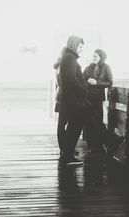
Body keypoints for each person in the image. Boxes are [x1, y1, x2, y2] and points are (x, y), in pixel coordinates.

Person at [59, 35, 124, 166]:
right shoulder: (70, 58)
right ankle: (111, 140)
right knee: (84, 122)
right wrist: (83, 89)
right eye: (80, 46)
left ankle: (69, 155)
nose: (81, 49)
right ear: (74, 45)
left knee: (82, 124)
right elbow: (70, 79)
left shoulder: (68, 58)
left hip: (73, 99)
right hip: (75, 99)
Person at [83, 49, 113, 153]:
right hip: (88, 98)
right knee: (89, 122)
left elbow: (110, 82)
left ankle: (100, 144)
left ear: (101, 57)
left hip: (98, 98)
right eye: (93, 56)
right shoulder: (88, 68)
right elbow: (81, 81)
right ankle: (91, 145)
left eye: (96, 56)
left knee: (98, 121)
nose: (93, 58)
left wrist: (97, 82)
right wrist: (87, 81)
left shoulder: (106, 67)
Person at [53, 48, 79, 157]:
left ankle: (64, 148)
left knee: (62, 122)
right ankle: (65, 148)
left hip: (60, 95)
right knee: (64, 122)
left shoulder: (58, 65)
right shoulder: (62, 65)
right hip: (63, 96)